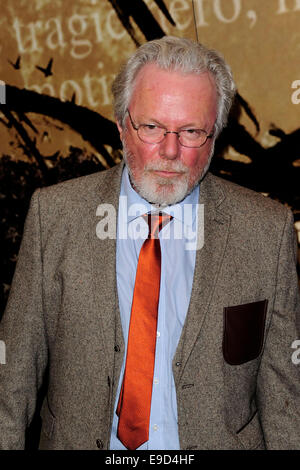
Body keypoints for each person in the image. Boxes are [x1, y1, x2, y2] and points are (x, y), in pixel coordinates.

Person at [0, 36, 299, 450]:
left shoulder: (267, 232)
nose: (170, 151)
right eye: (153, 127)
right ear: (122, 125)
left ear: (215, 136)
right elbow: (11, 382)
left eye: (192, 131)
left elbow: (287, 400)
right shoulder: (55, 216)